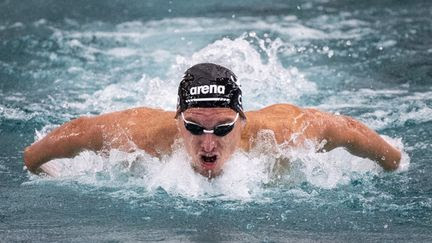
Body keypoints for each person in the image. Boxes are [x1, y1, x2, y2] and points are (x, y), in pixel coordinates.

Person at [24, 63, 401, 178]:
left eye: (222, 129)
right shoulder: (134, 135)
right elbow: (65, 138)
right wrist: (41, 171)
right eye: (194, 128)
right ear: (177, 120)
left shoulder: (285, 132)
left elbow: (348, 130)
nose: (208, 144)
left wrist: (393, 165)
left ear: (241, 120)